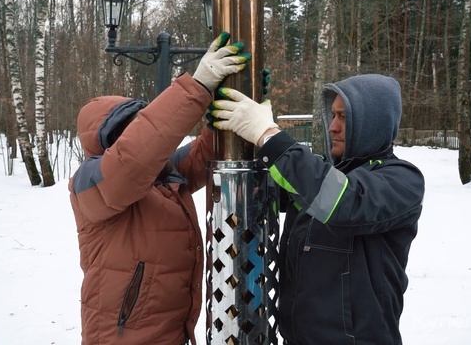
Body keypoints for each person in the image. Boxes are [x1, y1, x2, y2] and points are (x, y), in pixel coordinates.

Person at [209, 74, 425, 344]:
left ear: (373, 122)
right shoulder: (321, 173)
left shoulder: (402, 180)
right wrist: (235, 131)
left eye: (344, 117)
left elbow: (343, 203)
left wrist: (269, 135)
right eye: (333, 116)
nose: (333, 126)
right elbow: (264, 190)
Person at [69, 32, 250, 345]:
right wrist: (198, 86)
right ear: (108, 140)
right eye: (130, 128)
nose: (141, 134)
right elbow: (133, 159)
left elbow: (204, 156)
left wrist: (238, 96)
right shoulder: (91, 182)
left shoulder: (164, 175)